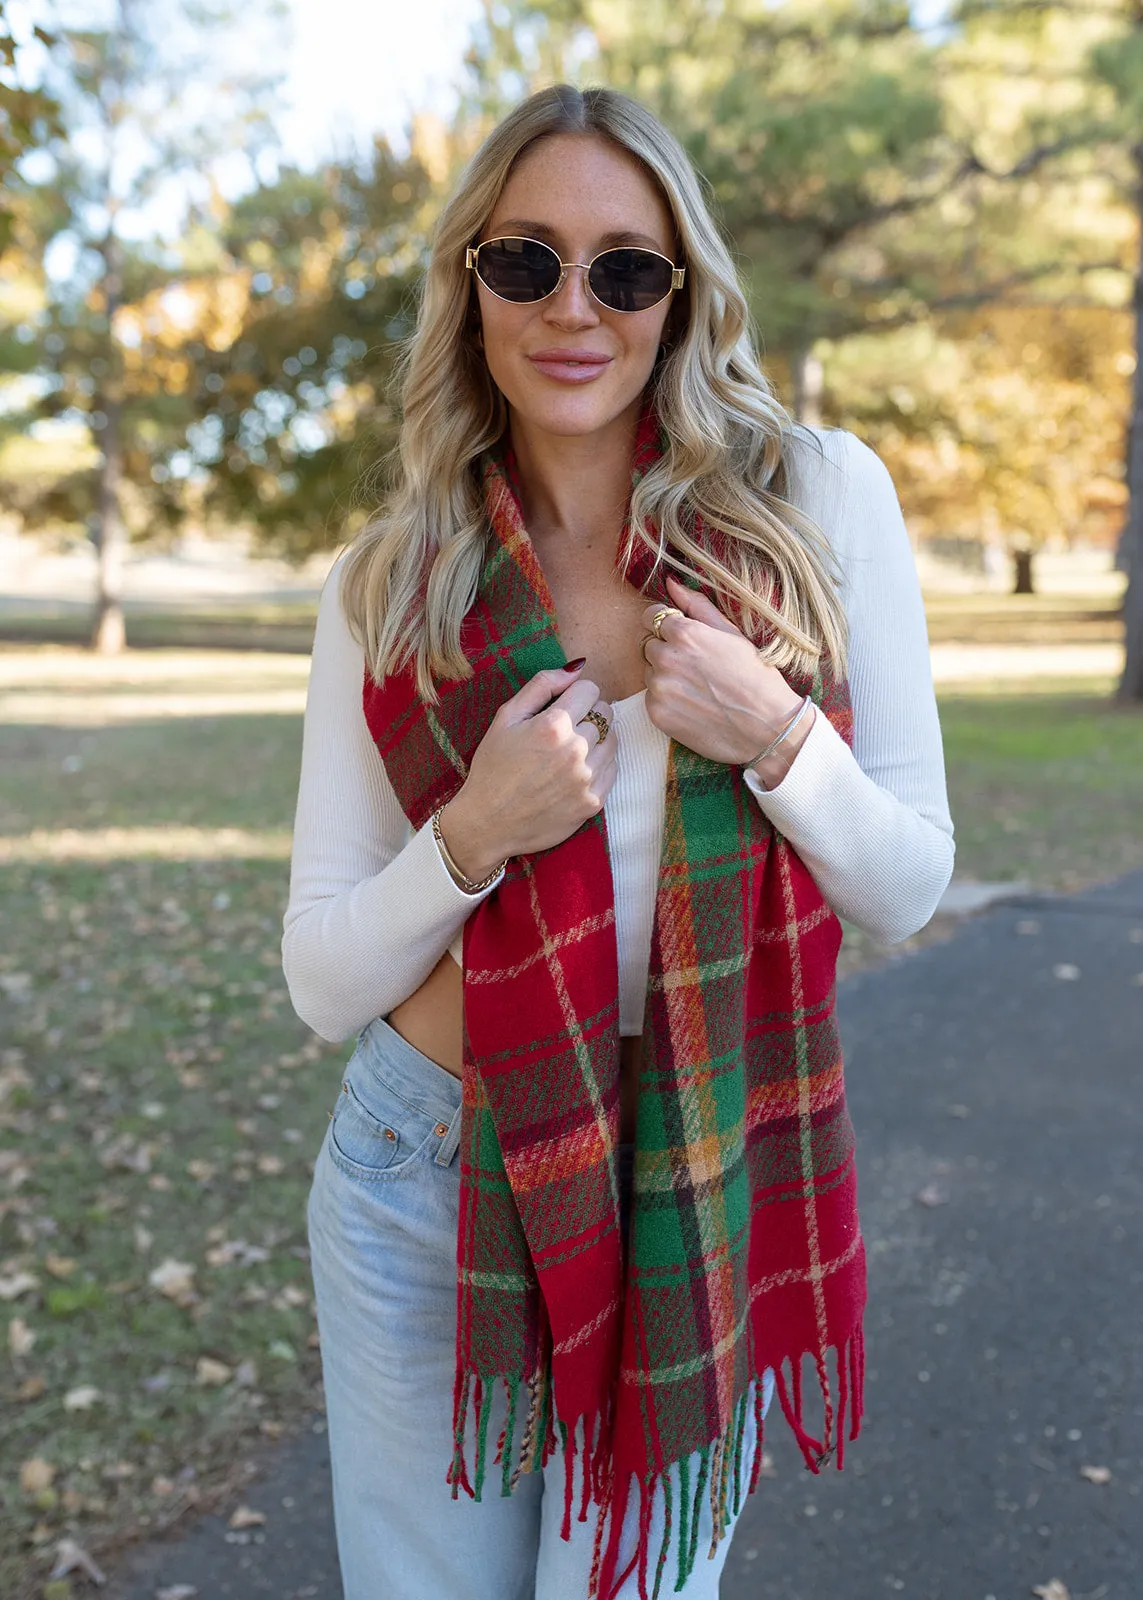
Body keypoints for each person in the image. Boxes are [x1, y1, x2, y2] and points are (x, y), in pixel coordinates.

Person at [282, 83, 954, 1600]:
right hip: (422, 1168)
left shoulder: (815, 501)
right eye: (525, 261)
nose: (572, 306)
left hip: (686, 1157)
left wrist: (775, 735)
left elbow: (904, 878)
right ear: (470, 283)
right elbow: (322, 980)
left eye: (623, 267)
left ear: (680, 291)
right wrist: (471, 834)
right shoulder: (387, 583)